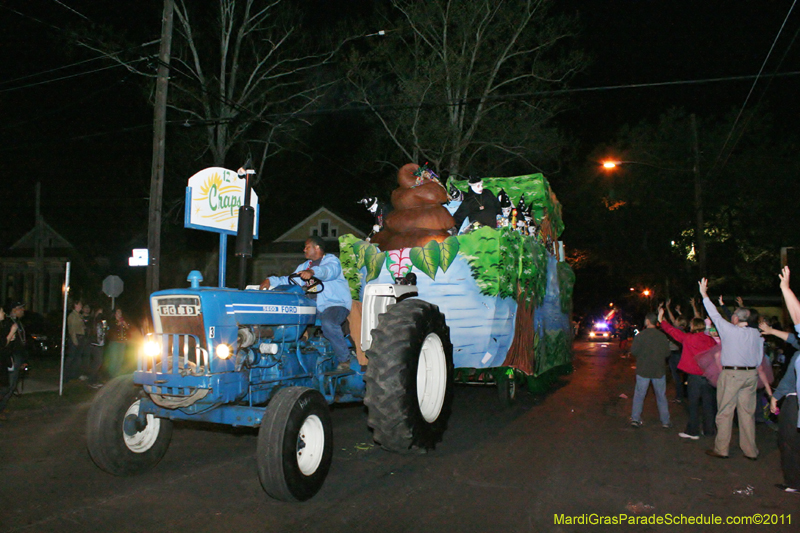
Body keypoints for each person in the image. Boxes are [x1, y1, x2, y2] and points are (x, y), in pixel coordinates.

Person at [259, 236, 353, 371]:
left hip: (334, 305)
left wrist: (312, 272)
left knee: (328, 323)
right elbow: (291, 280)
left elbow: (328, 272)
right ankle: (292, 354)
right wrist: (271, 281)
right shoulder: (304, 266)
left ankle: (344, 359)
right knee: (287, 319)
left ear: (317, 248)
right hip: (313, 307)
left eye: (307, 247)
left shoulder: (331, 261)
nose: (304, 250)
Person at [700, 278, 765, 460]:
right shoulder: (756, 334)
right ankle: (750, 450)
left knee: (725, 412)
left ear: (736, 318)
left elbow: (714, 315)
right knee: (747, 414)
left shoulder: (730, 330)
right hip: (750, 375)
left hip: (732, 374)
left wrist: (704, 294)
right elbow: (759, 358)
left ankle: (722, 449)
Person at [764, 267, 800, 493]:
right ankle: (793, 482)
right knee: (788, 442)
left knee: (790, 443)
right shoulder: (797, 351)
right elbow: (793, 337)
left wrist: (786, 290)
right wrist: (776, 396)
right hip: (793, 401)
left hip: (794, 402)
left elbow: (797, 320)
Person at [659, 304, 718, 440]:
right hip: (709, 377)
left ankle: (693, 431)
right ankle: (709, 430)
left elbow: (672, 331)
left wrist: (661, 319)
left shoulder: (689, 338)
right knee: (708, 405)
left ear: (693, 326)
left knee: (693, 404)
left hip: (694, 377)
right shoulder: (710, 340)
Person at [629, 311, 671, 428]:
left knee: (639, 395)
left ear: (647, 321)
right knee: (661, 396)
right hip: (658, 370)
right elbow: (667, 353)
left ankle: (635, 418)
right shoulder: (662, 336)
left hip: (643, 370)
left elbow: (634, 351)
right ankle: (665, 421)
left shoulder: (640, 336)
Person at [105, 307, 131, 378]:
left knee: (120, 359)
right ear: (115, 313)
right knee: (114, 359)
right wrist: (117, 324)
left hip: (122, 342)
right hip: (114, 342)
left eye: (121, 312)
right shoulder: (112, 321)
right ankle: (111, 376)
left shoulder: (123, 321)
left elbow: (128, 329)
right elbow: (110, 329)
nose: (120, 314)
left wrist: (125, 324)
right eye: (118, 312)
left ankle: (116, 375)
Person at [65, 299, 86, 382]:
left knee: (78, 358)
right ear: (76, 305)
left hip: (80, 338)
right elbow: (72, 329)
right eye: (80, 304)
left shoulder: (79, 315)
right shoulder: (72, 316)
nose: (81, 306)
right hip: (75, 338)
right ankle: (66, 375)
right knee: (71, 357)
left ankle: (73, 374)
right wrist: (74, 340)